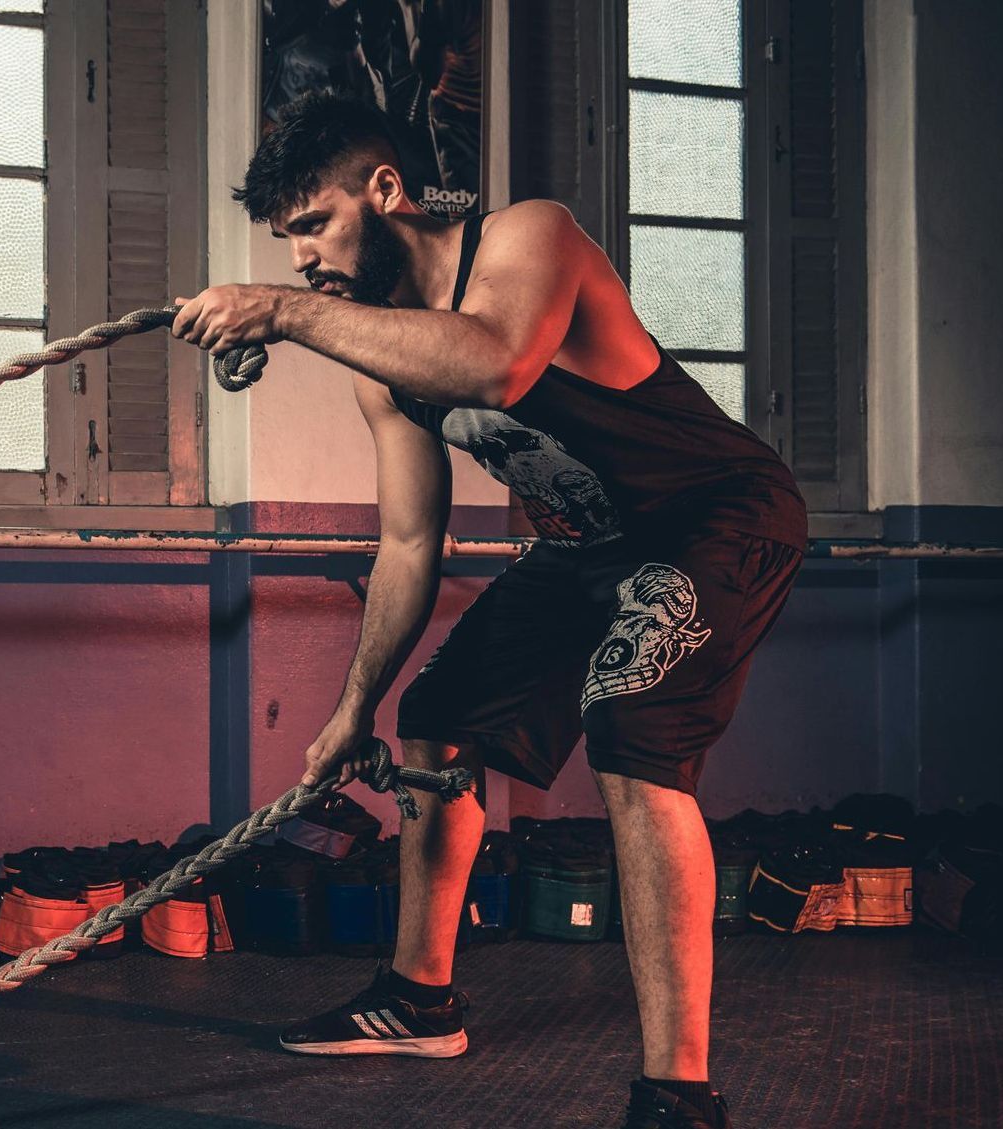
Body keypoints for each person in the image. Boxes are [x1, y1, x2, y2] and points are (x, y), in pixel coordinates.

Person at [170, 92, 807, 1129]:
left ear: (384, 192)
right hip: (589, 546)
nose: (299, 262)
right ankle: (419, 997)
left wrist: (284, 313)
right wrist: (350, 710)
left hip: (718, 516)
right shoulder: (383, 365)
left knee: (631, 729)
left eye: (313, 226)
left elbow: (498, 360)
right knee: (440, 717)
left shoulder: (528, 237)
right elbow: (412, 544)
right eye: (284, 244)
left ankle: (677, 1095)